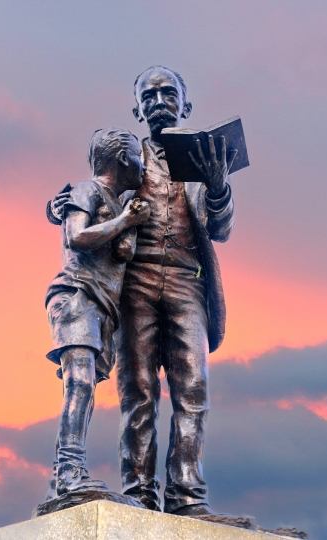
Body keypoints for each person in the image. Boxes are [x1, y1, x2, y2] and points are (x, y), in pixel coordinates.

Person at [48, 66, 235, 515]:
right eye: (147, 97)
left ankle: (188, 496)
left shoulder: (204, 158)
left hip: (188, 282)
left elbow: (222, 228)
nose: (158, 102)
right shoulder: (128, 158)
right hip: (134, 283)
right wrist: (56, 207)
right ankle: (138, 493)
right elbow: (86, 196)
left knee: (193, 390)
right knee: (137, 390)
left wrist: (218, 185)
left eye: (167, 93)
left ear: (185, 105)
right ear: (137, 109)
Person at [45, 127, 150, 497]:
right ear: (123, 158)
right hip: (76, 296)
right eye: (139, 156)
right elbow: (77, 236)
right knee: (79, 381)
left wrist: (129, 220)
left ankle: (66, 470)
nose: (143, 165)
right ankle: (68, 471)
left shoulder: (119, 202)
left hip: (102, 306)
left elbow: (121, 254)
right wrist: (125, 222)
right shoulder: (87, 191)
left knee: (85, 387)